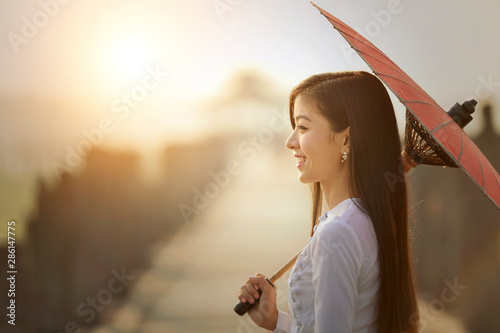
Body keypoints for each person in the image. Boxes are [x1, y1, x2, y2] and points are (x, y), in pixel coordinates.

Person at [236, 71, 419, 333]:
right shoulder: (366, 219)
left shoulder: (337, 233)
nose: (290, 141)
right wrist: (276, 321)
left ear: (346, 138)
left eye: (303, 127)